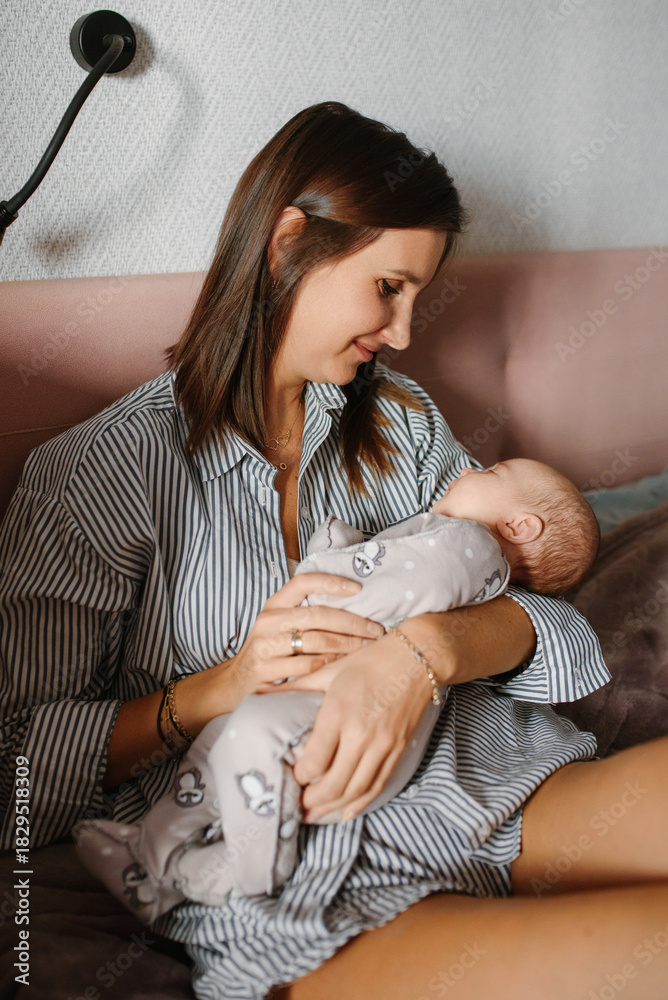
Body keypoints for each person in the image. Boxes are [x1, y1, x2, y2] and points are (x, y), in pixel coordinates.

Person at [0, 102, 665, 1000]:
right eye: (389, 286)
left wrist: (423, 655)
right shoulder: (96, 477)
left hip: (484, 770)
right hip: (300, 855)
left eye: (417, 295)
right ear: (287, 245)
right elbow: (16, 769)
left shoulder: (402, 424)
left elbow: (542, 612)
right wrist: (223, 688)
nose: (405, 331)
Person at [72, 457, 600, 924]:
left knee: (247, 741)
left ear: (520, 526)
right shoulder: (459, 541)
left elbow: (395, 586)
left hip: (342, 716)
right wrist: (341, 548)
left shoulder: (473, 544)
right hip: (315, 702)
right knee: (218, 743)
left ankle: (247, 876)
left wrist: (331, 584)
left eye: (489, 472)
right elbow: (393, 571)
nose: (466, 468)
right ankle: (157, 857)